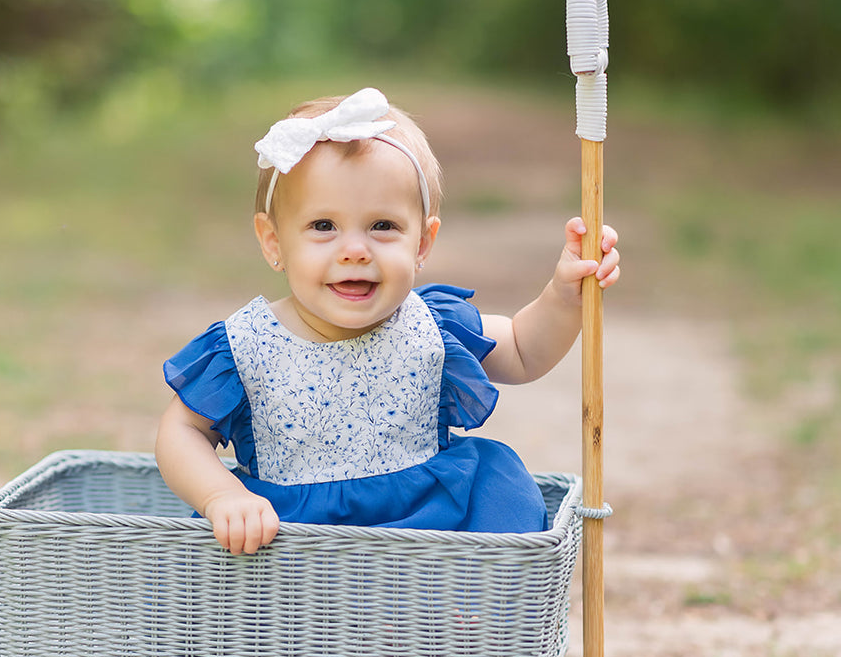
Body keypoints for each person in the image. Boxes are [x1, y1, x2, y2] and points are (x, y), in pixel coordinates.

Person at [155, 87, 620, 554]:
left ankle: (465, 618)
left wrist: (564, 295)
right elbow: (182, 432)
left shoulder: (430, 326)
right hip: (295, 544)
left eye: (383, 226)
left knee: (500, 493)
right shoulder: (245, 347)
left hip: (432, 532)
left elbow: (522, 349)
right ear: (273, 242)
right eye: (323, 226)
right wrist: (221, 495)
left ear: (422, 243)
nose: (355, 250)